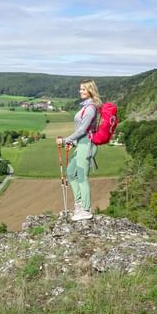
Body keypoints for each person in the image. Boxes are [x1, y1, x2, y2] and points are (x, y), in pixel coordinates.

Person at [56, 79, 102, 221]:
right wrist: (74, 142)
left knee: (82, 176)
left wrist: (65, 141)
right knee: (71, 172)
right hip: (81, 144)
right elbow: (83, 131)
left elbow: (83, 130)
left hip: (86, 145)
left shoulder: (90, 108)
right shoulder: (86, 107)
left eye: (83, 89)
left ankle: (86, 210)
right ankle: (79, 203)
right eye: (80, 89)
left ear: (90, 90)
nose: (80, 91)